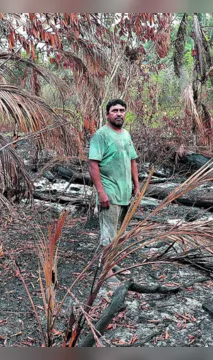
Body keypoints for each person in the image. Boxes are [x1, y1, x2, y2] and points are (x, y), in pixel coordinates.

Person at [88, 99, 139, 275]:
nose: (119, 113)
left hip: (125, 192)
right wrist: (101, 193)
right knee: (108, 233)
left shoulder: (126, 135)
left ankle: (113, 264)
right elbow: (93, 165)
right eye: (115, 110)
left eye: (122, 110)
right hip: (109, 192)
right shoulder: (100, 135)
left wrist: (137, 186)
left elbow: (133, 161)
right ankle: (106, 272)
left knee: (119, 232)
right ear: (107, 114)